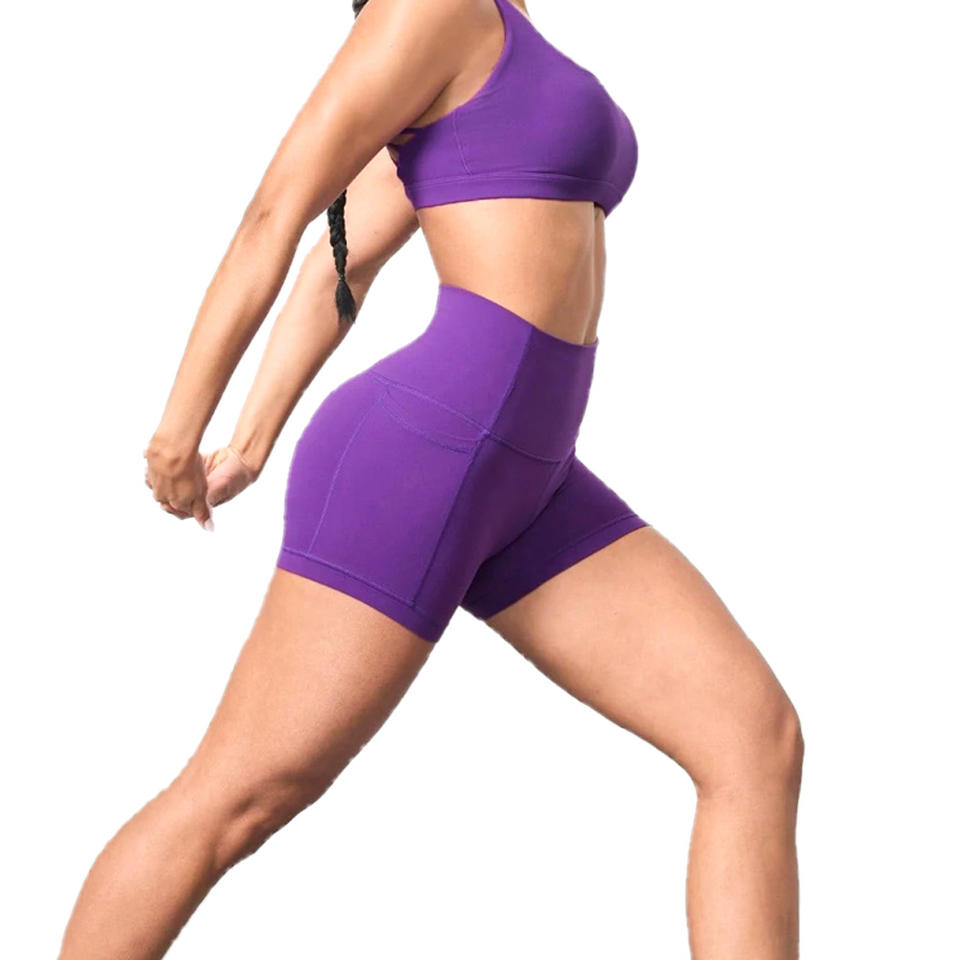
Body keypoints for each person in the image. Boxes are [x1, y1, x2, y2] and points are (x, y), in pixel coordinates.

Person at [58, 0, 803, 956]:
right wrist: (180, 431)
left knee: (753, 740)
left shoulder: (496, 30)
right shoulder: (429, 6)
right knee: (235, 799)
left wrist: (249, 445)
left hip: (530, 479)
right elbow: (276, 212)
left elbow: (345, 259)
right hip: (428, 452)